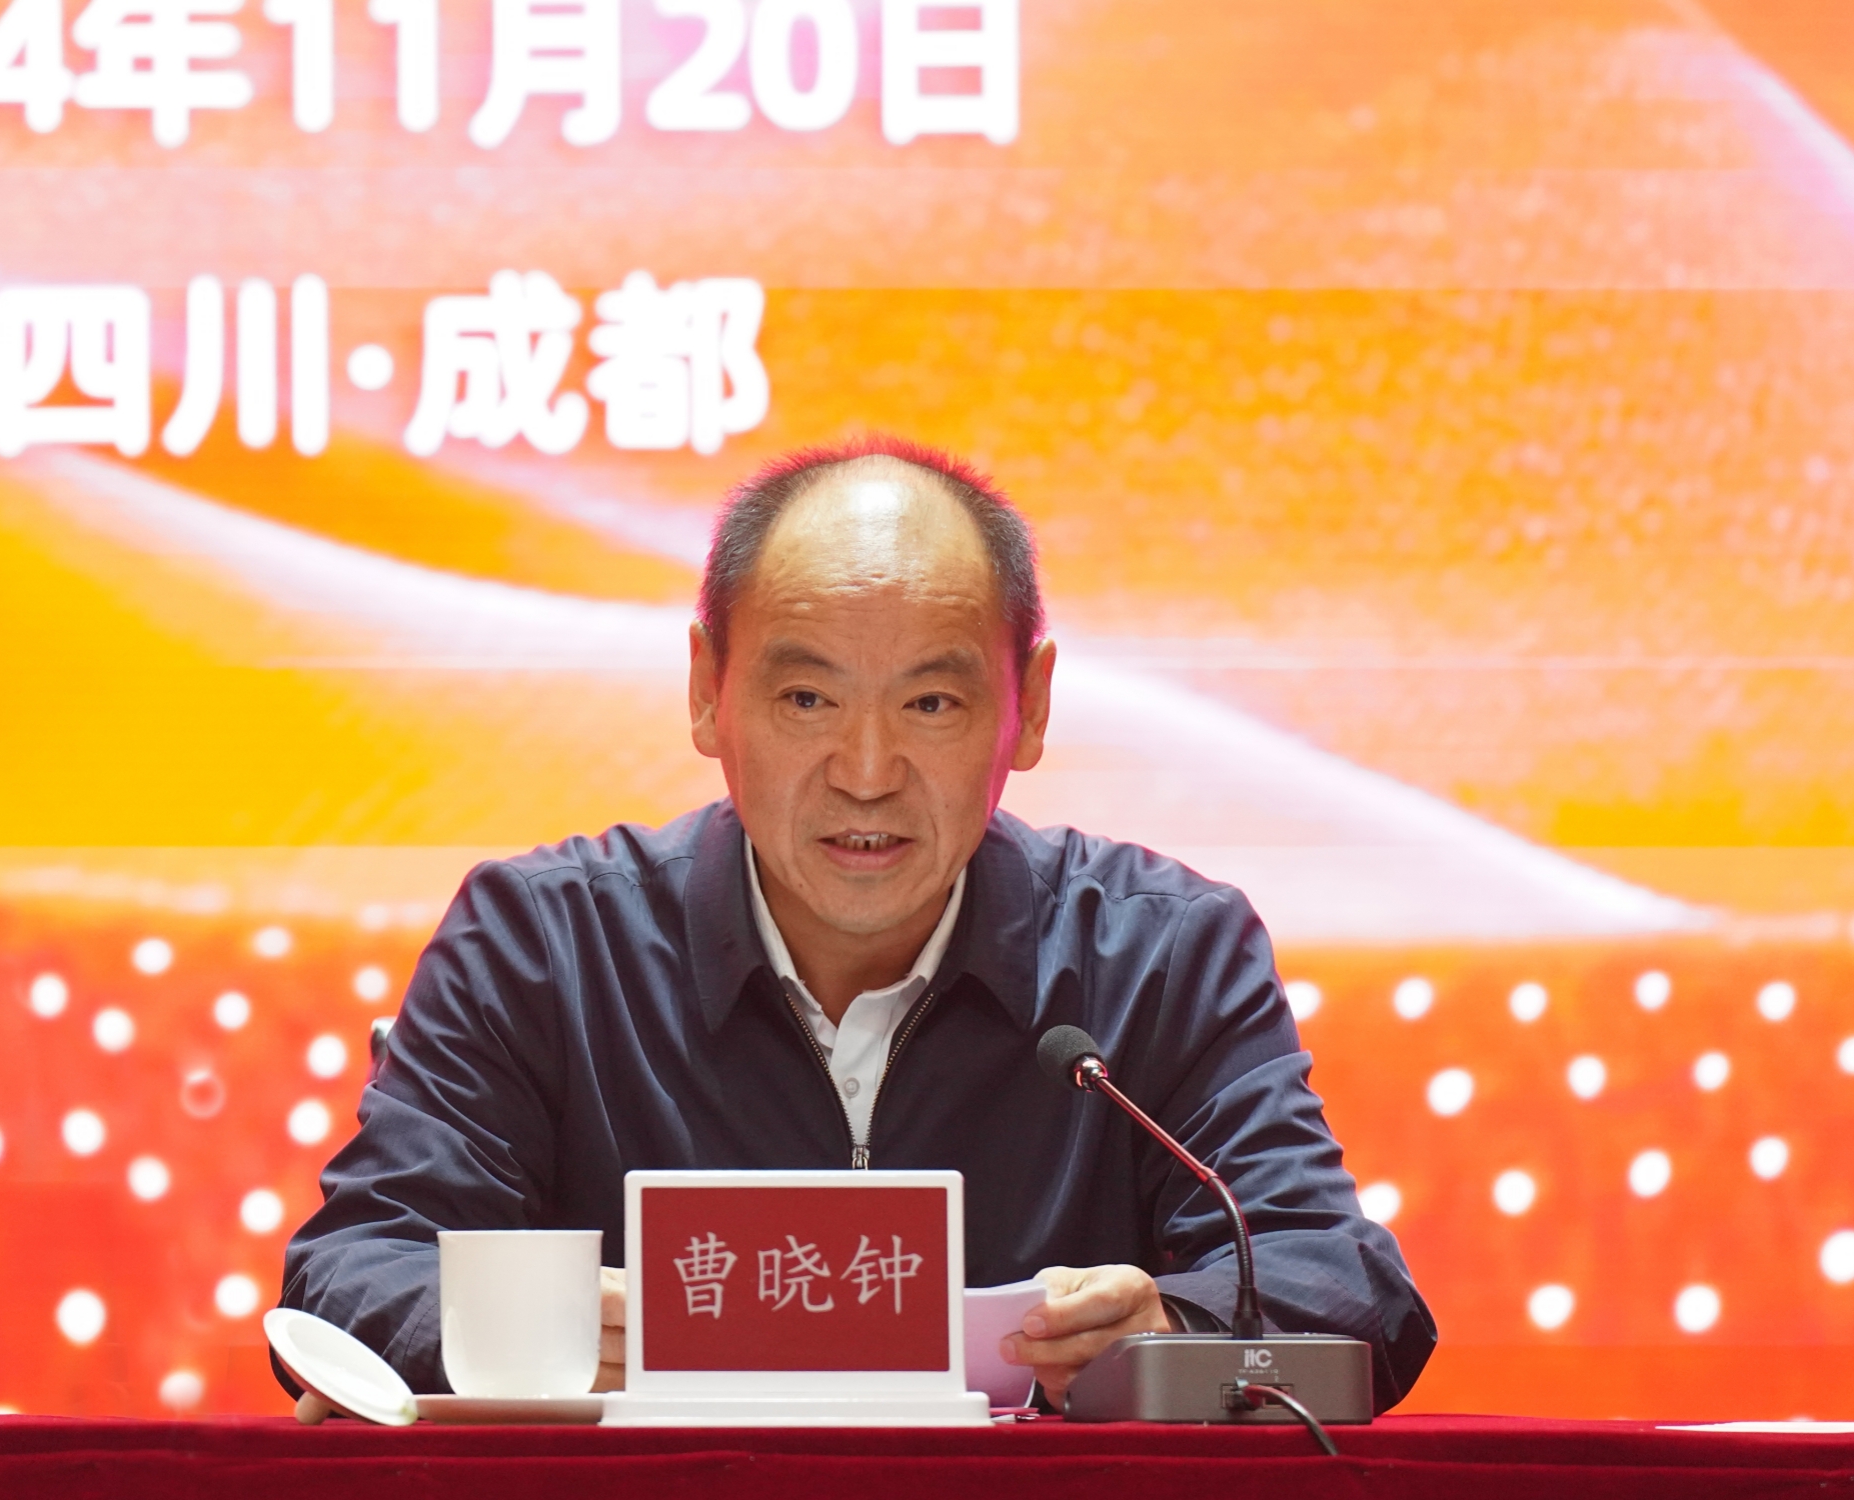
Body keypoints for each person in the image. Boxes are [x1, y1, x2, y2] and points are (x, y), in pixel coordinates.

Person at [277, 437, 1437, 1412]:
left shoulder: (1162, 955)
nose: (867, 772)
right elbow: (346, 1280)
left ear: (1028, 707)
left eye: (930, 702)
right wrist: (534, 1331)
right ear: (706, 691)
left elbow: (1346, 1291)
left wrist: (1170, 1329)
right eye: (806, 699)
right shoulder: (542, 947)